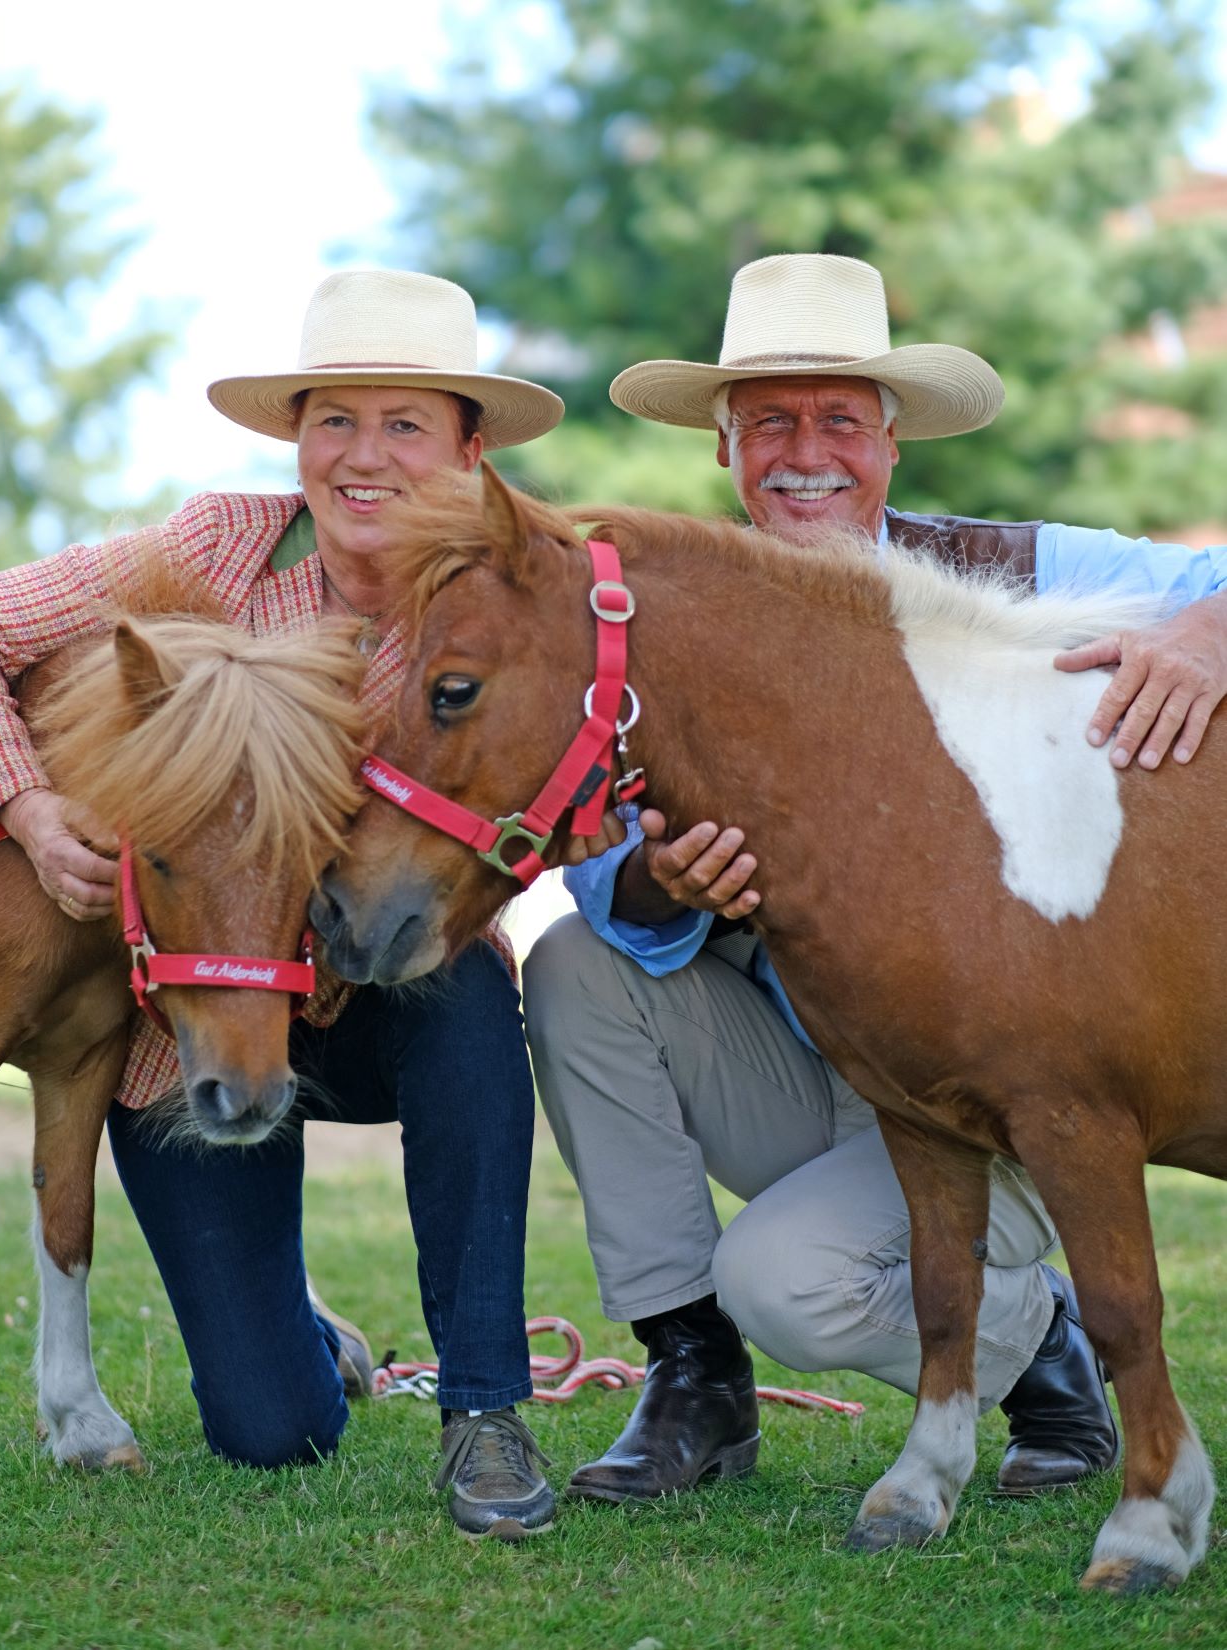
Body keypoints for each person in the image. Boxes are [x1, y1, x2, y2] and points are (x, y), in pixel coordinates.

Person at [523, 253, 1227, 1505]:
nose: (807, 453)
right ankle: (689, 1369)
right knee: (576, 962)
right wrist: (664, 888)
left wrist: (1208, 631)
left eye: (840, 420)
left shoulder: (1018, 574)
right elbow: (602, 900)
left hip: (1027, 1073)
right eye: (770, 423)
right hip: (840, 1068)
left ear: (890, 446)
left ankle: (1042, 1351)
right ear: (725, 454)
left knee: (788, 1280)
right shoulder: (671, 628)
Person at [0, 268, 566, 1541]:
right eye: (333, 419)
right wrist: (26, 806)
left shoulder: (507, 602)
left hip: (377, 988)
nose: (363, 456)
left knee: (467, 996)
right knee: (269, 1429)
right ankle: (299, 1331)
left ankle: (485, 1412)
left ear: (468, 449)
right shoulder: (212, 549)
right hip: (195, 1020)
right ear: (296, 439)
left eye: (406, 425)